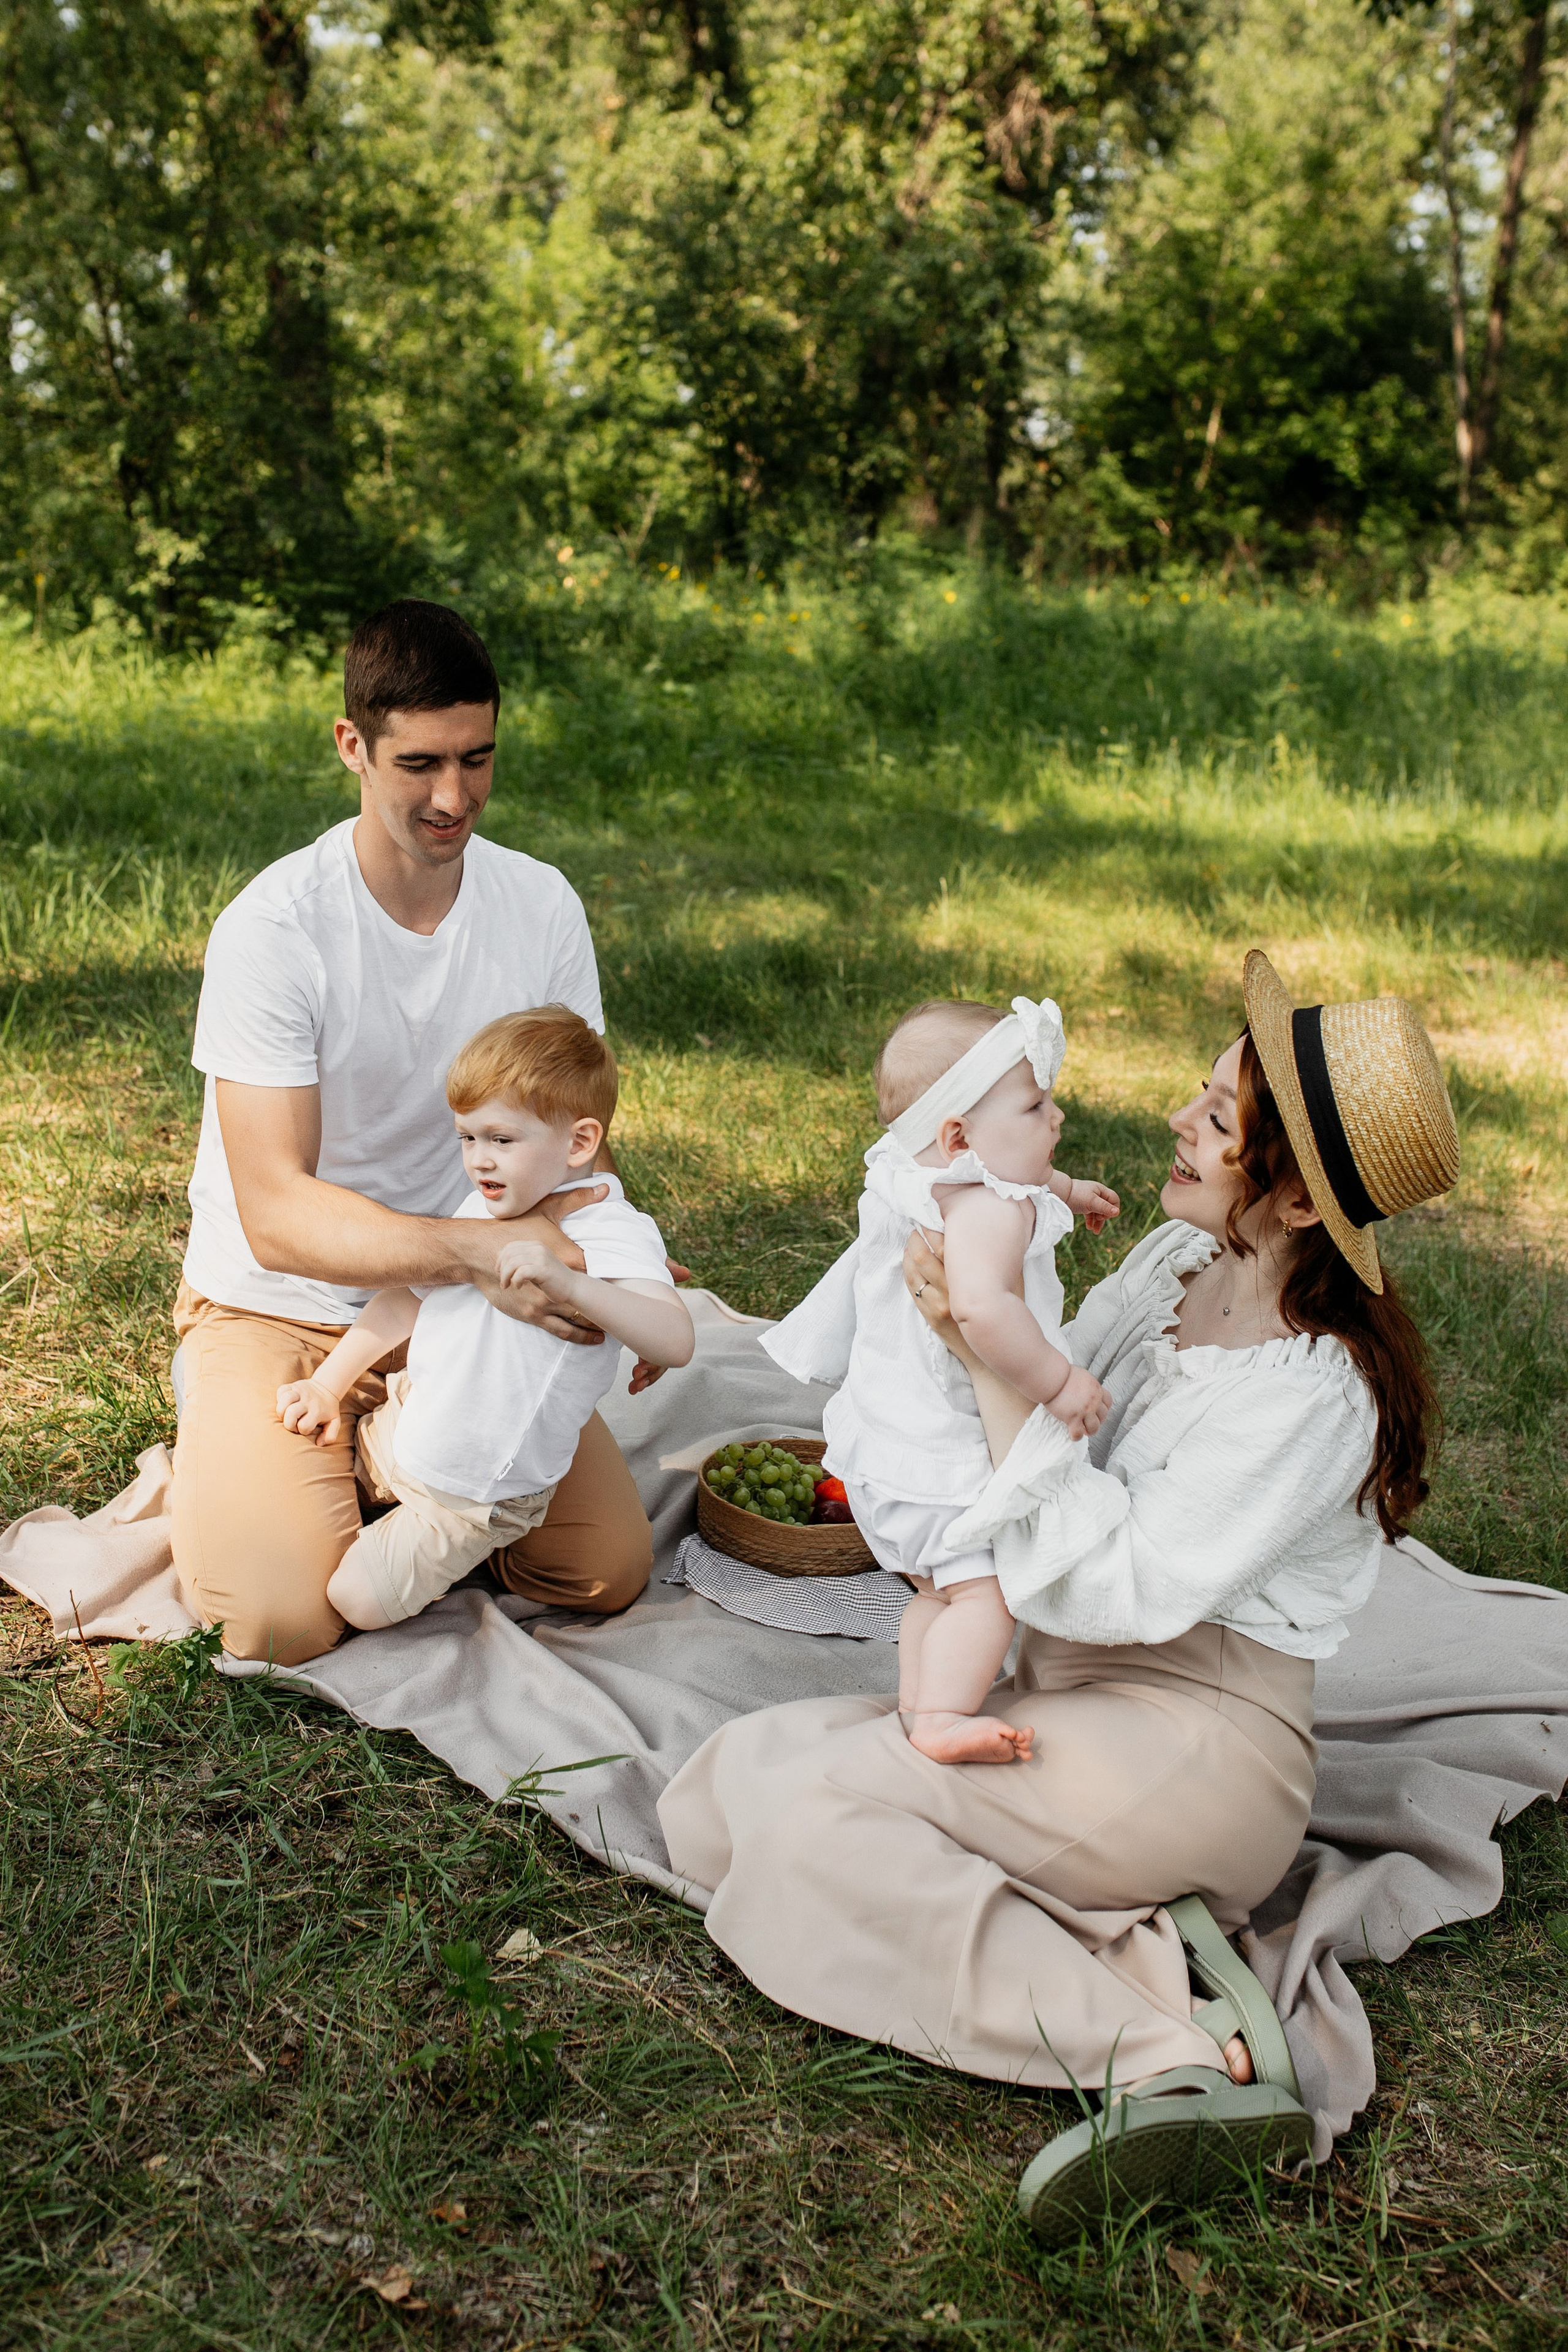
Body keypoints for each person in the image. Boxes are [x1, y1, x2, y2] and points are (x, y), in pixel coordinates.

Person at [660, 951, 1460, 2236]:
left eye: (1216, 1119)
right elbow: (1040, 1398)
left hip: (1190, 1740)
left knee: (814, 1838)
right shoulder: (1168, 1264)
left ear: (1299, 1204)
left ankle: (1161, 2055)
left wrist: (985, 1361)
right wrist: (961, 1327)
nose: (1174, 1123)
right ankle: (1138, 1939)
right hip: (1064, 1688)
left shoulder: (1312, 1394)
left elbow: (1110, 1580)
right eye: (1198, 1097)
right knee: (733, 1779)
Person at [172, 598, 666, 1665]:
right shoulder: (275, 929)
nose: (455, 798)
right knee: (280, 1618)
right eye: (421, 766)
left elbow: (581, 1130)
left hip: (482, 1307)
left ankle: (381, 1453)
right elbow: (277, 1215)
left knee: (600, 1571)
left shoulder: (541, 904)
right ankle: (262, 1441)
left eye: (478, 761)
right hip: (282, 1304)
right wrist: (483, 1253)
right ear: (353, 745)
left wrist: (618, 1273)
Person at [764, 994, 1120, 1767]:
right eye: (1035, 1105)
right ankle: (945, 1718)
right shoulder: (984, 1210)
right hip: (942, 1463)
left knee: (934, 1594)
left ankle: (916, 1702)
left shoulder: (910, 1169)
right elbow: (983, 1311)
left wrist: (1065, 1189)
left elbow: (1013, 1170)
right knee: (986, 1598)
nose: (1055, 1117)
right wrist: (1059, 1385)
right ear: (957, 1134)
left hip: (879, 1458)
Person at [276, 1008, 695, 1630]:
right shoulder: (489, 1204)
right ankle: (359, 1478)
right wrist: (329, 1385)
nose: (479, 1160)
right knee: (310, 1492)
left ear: (580, 1143)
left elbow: (677, 1339)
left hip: (474, 1495)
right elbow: (407, 1298)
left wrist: (577, 1287)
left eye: (501, 1139)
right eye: (467, 1138)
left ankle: (419, 1547)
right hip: (415, 1420)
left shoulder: (609, 1232)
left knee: (353, 1602)